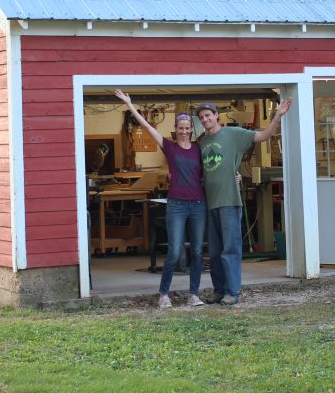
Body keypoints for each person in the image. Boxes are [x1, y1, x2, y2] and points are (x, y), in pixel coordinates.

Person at [114, 90, 207, 309]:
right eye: (181, 128)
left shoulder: (199, 149)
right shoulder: (170, 147)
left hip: (198, 205)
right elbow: (147, 127)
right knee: (174, 250)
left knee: (196, 250)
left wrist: (235, 174)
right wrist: (130, 104)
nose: (184, 132)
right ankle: (164, 294)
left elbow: (214, 166)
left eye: (187, 129)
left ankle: (193, 294)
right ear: (175, 130)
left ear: (192, 130)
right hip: (176, 204)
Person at [196, 97, 292, 305]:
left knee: (230, 249)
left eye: (208, 115)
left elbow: (264, 136)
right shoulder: (202, 142)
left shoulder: (234, 134)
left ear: (216, 116)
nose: (205, 120)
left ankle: (233, 292)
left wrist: (277, 116)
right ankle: (219, 290)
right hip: (210, 202)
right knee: (214, 252)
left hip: (229, 201)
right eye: (202, 117)